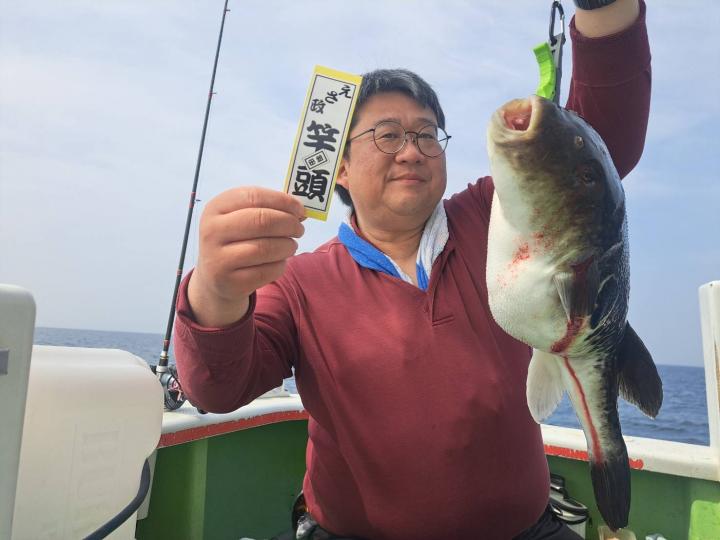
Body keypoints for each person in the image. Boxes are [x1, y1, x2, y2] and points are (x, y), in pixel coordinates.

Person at [174, 0, 651, 538]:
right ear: (341, 168)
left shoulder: (492, 216)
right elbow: (217, 388)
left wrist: (602, 10)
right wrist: (215, 289)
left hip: (525, 528)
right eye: (387, 135)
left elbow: (594, 143)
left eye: (427, 134)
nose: (412, 152)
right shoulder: (298, 280)